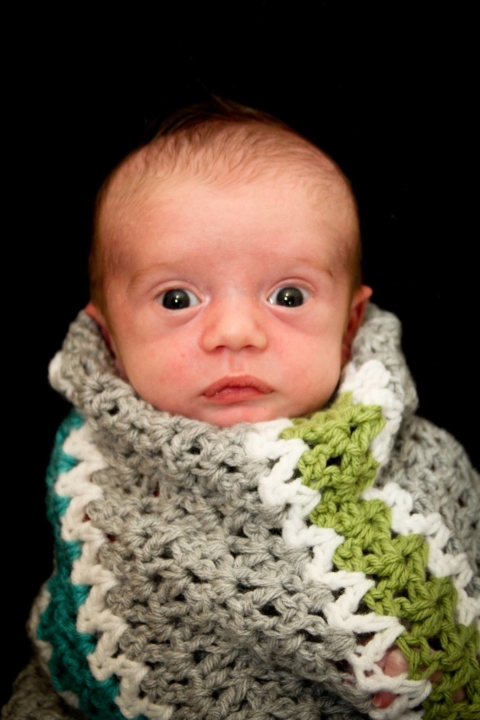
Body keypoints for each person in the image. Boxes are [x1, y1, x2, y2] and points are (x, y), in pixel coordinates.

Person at [4, 100, 479, 720]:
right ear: (112, 338)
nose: (234, 331)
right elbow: (70, 655)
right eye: (177, 298)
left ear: (349, 326)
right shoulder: (89, 471)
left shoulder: (425, 465)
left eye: (287, 295)